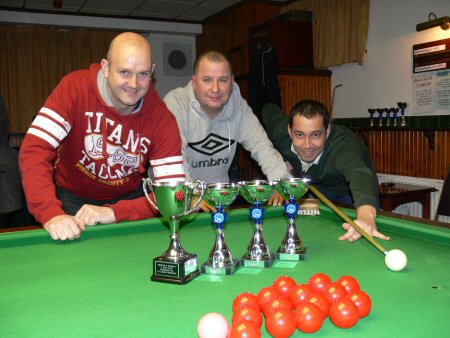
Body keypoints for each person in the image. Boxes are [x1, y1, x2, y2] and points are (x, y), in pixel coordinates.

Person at [19, 32, 185, 241]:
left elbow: (173, 194)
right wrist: (49, 212)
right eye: (124, 72)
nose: (133, 84)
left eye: (142, 74)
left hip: (129, 201)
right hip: (71, 198)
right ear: (106, 68)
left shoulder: (163, 119)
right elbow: (35, 149)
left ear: (152, 71)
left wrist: (115, 212)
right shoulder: (74, 88)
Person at [163, 50, 290, 212]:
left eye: (222, 80)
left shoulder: (238, 106)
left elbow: (261, 145)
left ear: (231, 82)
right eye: (207, 80)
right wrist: (191, 195)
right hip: (179, 198)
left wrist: (282, 182)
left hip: (219, 201)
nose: (215, 89)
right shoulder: (176, 104)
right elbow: (174, 155)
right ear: (194, 83)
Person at [262, 100, 390, 243]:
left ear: (327, 131)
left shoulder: (342, 148)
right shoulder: (281, 134)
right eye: (299, 135)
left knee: (361, 232)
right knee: (314, 232)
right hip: (316, 186)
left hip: (349, 193)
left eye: (316, 135)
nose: (307, 145)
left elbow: (359, 173)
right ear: (289, 131)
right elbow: (268, 108)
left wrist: (366, 216)